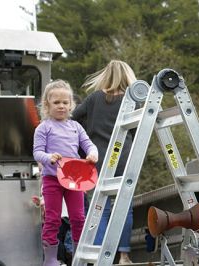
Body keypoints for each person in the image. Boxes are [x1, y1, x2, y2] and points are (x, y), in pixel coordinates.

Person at [72, 60, 135, 265]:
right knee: (124, 206)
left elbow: (73, 119)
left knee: (100, 207)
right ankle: (124, 255)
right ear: (127, 77)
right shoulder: (133, 100)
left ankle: (99, 255)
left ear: (106, 76)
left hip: (98, 159)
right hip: (124, 158)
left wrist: (83, 143)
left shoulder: (94, 99)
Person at [33, 79, 98, 266]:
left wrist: (93, 154)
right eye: (56, 102)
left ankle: (79, 256)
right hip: (52, 179)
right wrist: (48, 157)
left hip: (74, 180)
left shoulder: (76, 127)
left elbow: (89, 144)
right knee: (52, 219)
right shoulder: (43, 128)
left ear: (71, 104)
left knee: (78, 217)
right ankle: (51, 258)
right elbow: (37, 152)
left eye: (65, 102)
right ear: (47, 105)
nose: (61, 106)